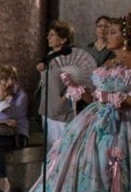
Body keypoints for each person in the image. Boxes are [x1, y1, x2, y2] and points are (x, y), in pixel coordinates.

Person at [20, 11, 131, 192]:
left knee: (114, 171)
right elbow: (95, 97)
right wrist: (79, 89)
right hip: (95, 121)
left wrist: (110, 97)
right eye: (108, 31)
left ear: (129, 37)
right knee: (83, 165)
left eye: (113, 32)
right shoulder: (110, 62)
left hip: (123, 125)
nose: (107, 35)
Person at [36, 20, 95, 150]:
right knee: (49, 147)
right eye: (49, 35)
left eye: (52, 35)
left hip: (62, 111)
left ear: (63, 39)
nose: (48, 38)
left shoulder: (71, 58)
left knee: (61, 148)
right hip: (47, 107)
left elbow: (76, 85)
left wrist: (64, 99)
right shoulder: (50, 56)